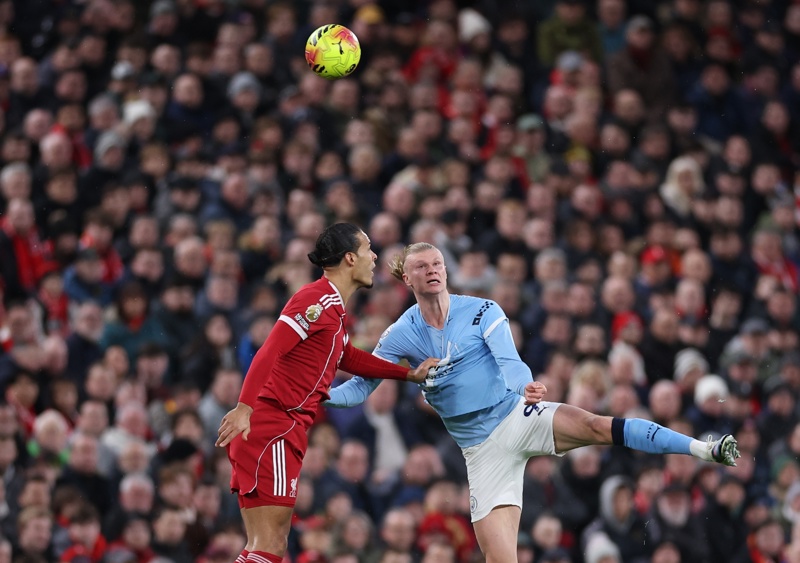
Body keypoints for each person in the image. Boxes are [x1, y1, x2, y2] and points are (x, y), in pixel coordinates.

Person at [326, 242, 741, 563]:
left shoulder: (482, 309)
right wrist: (319, 397)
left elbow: (511, 360)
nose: (432, 271)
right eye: (422, 266)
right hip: (481, 451)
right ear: (407, 278)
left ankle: (704, 448)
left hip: (517, 414)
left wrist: (526, 387)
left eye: (437, 264)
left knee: (597, 425)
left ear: (446, 271)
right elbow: (362, 386)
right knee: (500, 558)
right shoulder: (400, 334)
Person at [215, 223, 438, 563]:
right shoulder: (315, 299)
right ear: (350, 258)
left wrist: (407, 374)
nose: (375, 256)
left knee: (262, 544)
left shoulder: (333, 309)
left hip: (276, 427)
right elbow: (269, 350)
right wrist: (245, 407)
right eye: (367, 250)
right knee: (271, 544)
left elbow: (349, 357)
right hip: (272, 425)